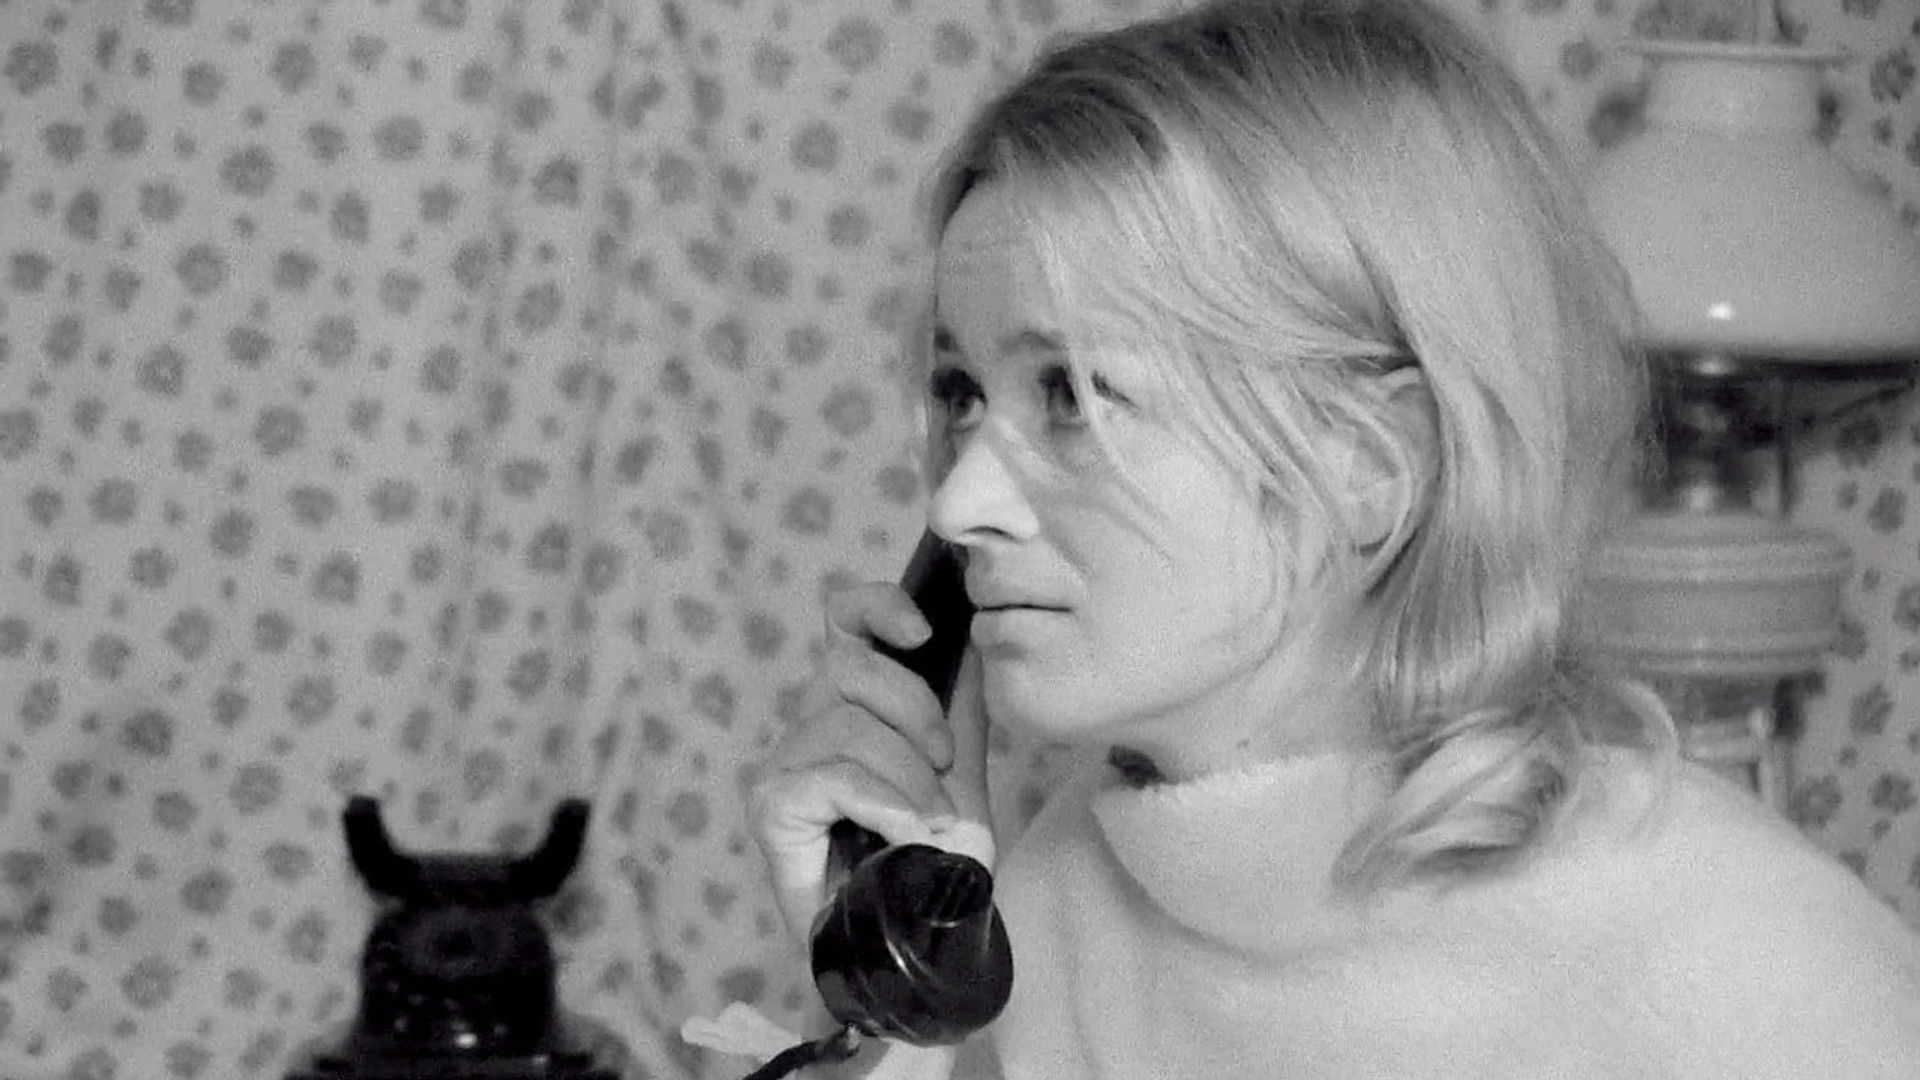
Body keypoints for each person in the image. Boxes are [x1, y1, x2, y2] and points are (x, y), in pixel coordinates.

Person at [749, 0, 1920, 1076]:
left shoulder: (1743, 961)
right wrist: (891, 1008)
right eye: (962, 393)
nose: (957, 504)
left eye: (1069, 394)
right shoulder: (1047, 907)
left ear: (1371, 464)